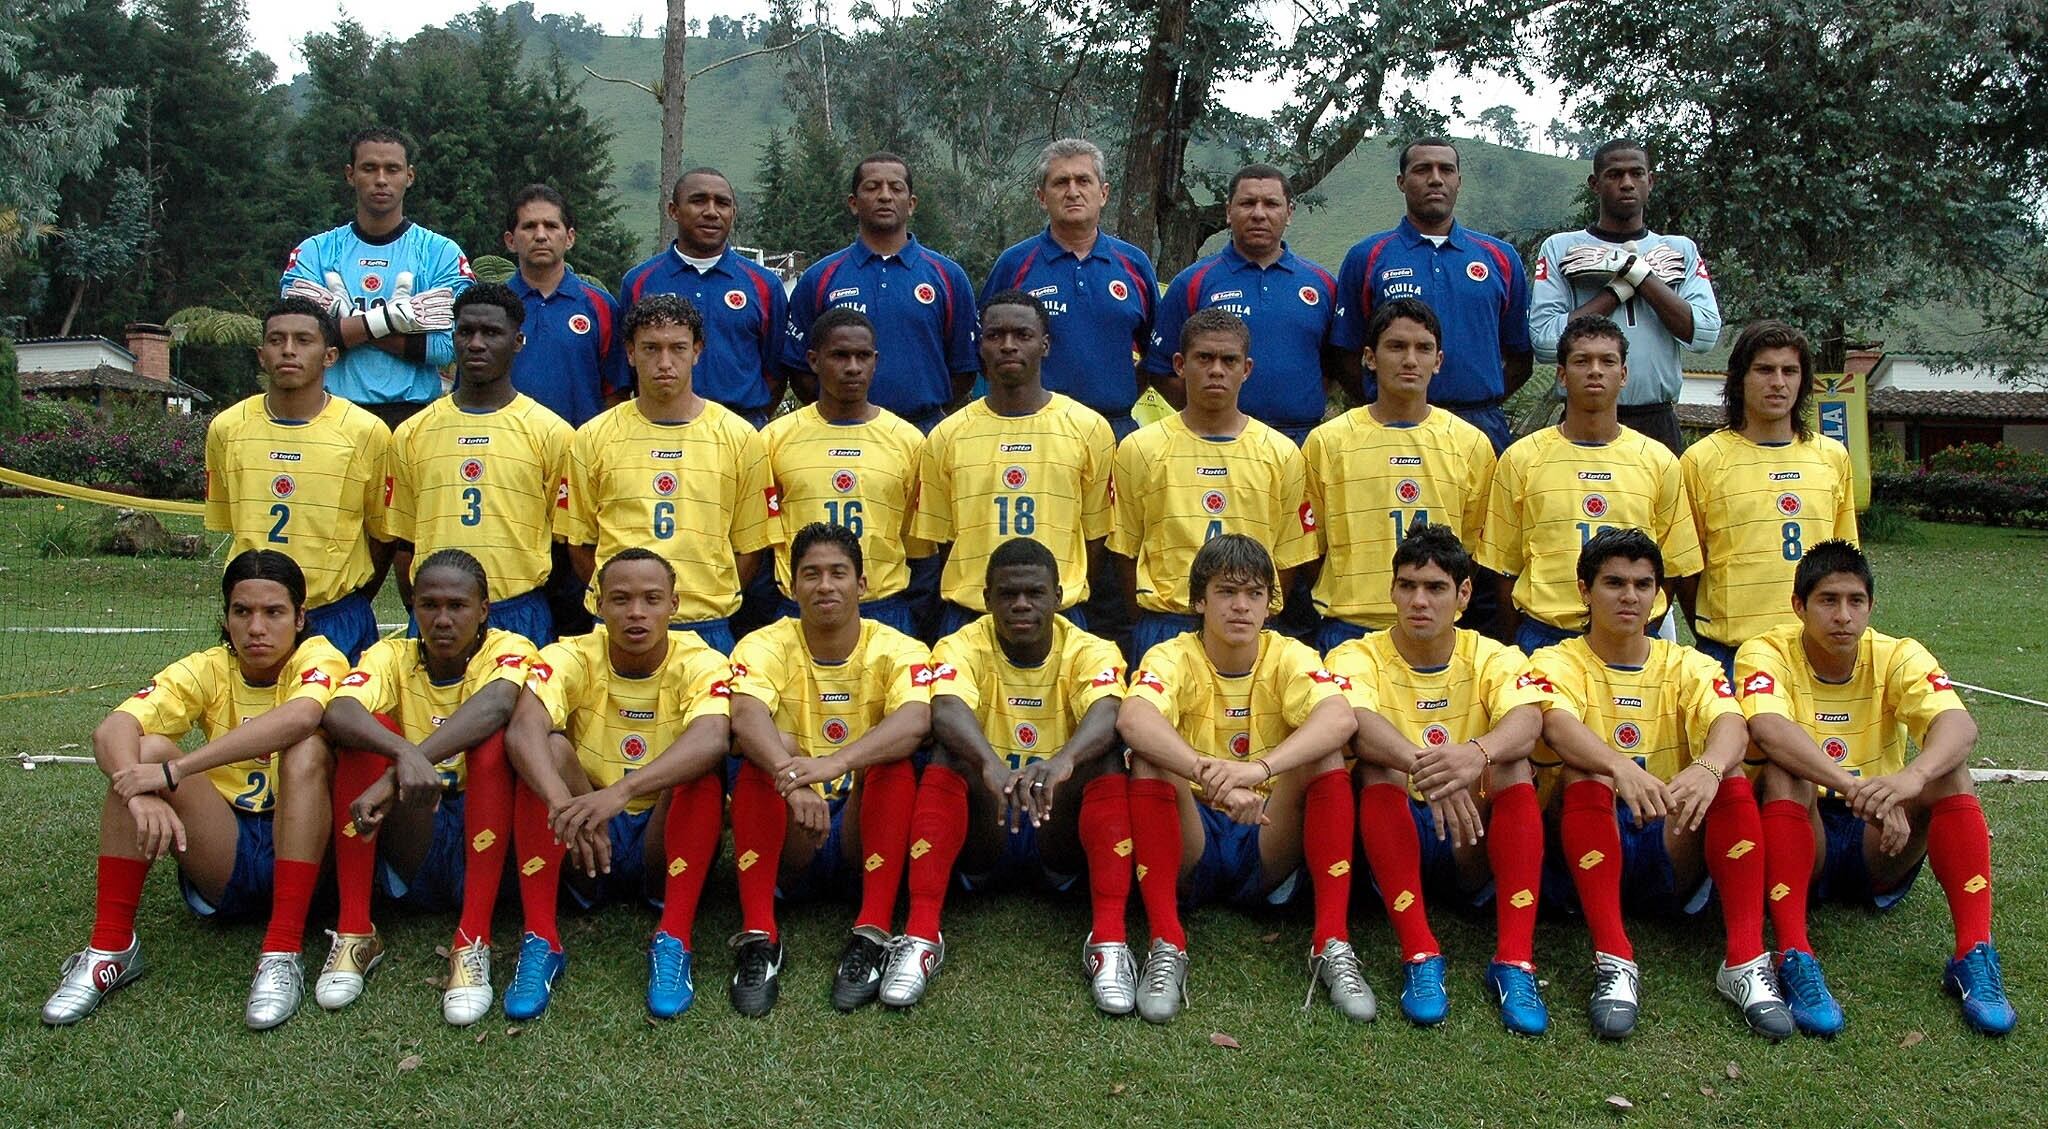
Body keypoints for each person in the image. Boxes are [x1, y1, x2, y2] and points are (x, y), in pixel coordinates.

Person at [42, 551, 349, 1030]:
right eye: (242, 612)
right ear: (225, 619)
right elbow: (113, 729)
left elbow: (301, 717)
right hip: (225, 851)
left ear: (300, 618)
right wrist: (140, 791)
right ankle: (111, 947)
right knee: (144, 750)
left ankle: (283, 948)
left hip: (313, 852)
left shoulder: (320, 656)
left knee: (306, 748)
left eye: (274, 613)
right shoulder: (207, 667)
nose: (256, 628)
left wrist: (175, 772)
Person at [1741, 540, 2016, 1037]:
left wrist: (1909, 779)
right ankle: (1793, 953)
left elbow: (1959, 724)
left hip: (1880, 839)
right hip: (1809, 829)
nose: (1843, 616)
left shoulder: (1898, 654)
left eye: (1855, 601)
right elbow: (1767, 729)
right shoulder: (1765, 650)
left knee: (1950, 773)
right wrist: (1853, 787)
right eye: (1828, 600)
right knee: (1785, 772)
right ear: (1798, 605)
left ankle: (1973, 955)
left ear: (1870, 606)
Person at [1524, 530, 1791, 1040]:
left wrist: (1709, 766)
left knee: (1728, 773)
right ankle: (1613, 959)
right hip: (1581, 849)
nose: (1630, 596)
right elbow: (1553, 722)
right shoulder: (1555, 660)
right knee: (1587, 771)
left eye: (1643, 584)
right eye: (1614, 583)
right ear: (1584, 590)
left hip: (1671, 842)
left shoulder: (1688, 663)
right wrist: (1620, 768)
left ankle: (1744, 961)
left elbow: (1731, 724)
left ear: (1659, 595)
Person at [1116, 534, 1364, 1024]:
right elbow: (1133, 719)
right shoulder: (1172, 654)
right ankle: (1166, 941)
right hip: (1192, 834)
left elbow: (1340, 718)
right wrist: (1207, 775)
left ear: (1270, 604)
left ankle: (1331, 942)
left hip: (1266, 829)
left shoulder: (1288, 654)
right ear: (1198, 601)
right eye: (1227, 592)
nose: (1241, 607)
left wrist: (1258, 770)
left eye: (1254, 594)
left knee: (1327, 754)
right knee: (1146, 757)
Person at [882, 538, 1134, 1012]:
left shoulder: (1091, 648)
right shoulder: (961, 643)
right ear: (987, 599)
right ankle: (919, 936)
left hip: (1055, 827)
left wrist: (1063, 761)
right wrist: (989, 764)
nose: (1021, 604)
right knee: (947, 757)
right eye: (1008, 594)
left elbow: (1108, 711)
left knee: (1102, 760)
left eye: (1035, 593)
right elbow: (946, 707)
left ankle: (1110, 942)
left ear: (1058, 597)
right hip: (988, 824)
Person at [1323, 524, 1551, 1034]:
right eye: (1407, 586)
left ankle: (1514, 961)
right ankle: (1419, 952)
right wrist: (1425, 769)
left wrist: (1475, 754)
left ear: (1464, 593)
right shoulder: (1355, 654)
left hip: (1473, 835)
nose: (1419, 601)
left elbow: (1529, 720)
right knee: (1375, 763)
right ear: (1392, 591)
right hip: (1396, 828)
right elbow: (1354, 722)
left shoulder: (1492, 654)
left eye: (1435, 588)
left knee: (1513, 761)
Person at [498, 549, 735, 1021]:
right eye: (621, 599)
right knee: (547, 753)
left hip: (658, 839)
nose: (636, 612)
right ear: (598, 604)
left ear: (674, 604)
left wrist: (621, 793)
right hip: (584, 837)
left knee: (700, 772)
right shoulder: (568, 654)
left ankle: (674, 936)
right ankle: (541, 937)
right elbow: (522, 730)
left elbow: (713, 737)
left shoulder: (702, 660)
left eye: (651, 599)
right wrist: (564, 804)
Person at [315, 551, 538, 1026]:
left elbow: (498, 705)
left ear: (483, 610)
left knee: (493, 741)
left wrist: (402, 766)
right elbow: (338, 712)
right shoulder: (391, 654)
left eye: (457, 606)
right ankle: (356, 929)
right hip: (417, 823)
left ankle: (472, 936)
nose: (442, 619)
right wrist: (403, 753)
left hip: (489, 826)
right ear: (412, 606)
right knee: (363, 732)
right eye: (428, 605)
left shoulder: (509, 646)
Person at [724, 524, 933, 1015]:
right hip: (795, 830)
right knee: (760, 757)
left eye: (838, 573)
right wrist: (790, 775)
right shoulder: (763, 644)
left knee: (892, 761)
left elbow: (916, 720)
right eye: (811, 574)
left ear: (862, 585)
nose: (825, 586)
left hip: (863, 826)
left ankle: (872, 932)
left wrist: (831, 765)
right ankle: (760, 937)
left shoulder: (900, 647)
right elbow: (745, 716)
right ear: (791, 585)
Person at [562, 294, 776, 653]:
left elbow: (750, 548)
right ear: (630, 353)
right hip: (615, 631)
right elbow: (580, 543)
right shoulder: (592, 438)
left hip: (705, 629)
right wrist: (626, 602)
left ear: (697, 351)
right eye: (650, 348)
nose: (665, 362)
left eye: (677, 348)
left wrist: (704, 596)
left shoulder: (740, 439)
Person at [1479, 315, 1702, 654]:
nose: (1595, 370)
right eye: (1582, 361)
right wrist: (1518, 642)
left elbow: (1672, 568)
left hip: (1632, 639)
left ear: (1623, 374)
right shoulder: (1521, 459)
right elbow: (1503, 569)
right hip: (1545, 637)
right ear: (1562, 375)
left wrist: (1640, 628)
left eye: (1607, 361)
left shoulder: (1658, 461)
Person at [1110, 308, 1315, 663]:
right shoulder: (1140, 449)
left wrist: (1254, 609)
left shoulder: (1280, 453)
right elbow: (1126, 550)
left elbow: (1288, 554)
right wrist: (1151, 613)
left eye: (1229, 360)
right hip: (1166, 624)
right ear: (1179, 364)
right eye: (1204, 358)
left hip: (1250, 627)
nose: (1216, 370)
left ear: (1246, 369)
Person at [913, 290, 1115, 639]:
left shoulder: (1089, 428)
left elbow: (1096, 535)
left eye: (1022, 335)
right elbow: (941, 542)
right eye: (995, 336)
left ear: (1045, 345)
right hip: (969, 617)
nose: (1008, 345)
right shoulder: (947, 435)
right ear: (980, 346)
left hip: (1061, 616)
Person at [205, 297, 395, 663]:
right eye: (277, 340)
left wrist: (343, 594)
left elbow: (380, 534)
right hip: (260, 618)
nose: (288, 350)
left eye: (303, 341)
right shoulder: (227, 428)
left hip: (337, 615)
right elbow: (233, 523)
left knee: (342, 719)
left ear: (330, 356)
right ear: (262, 355)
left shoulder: (366, 432)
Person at [1302, 298, 1495, 652]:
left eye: (1423, 349)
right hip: (1349, 628)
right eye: (1396, 347)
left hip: (1435, 631)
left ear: (1438, 362)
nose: (1410, 360)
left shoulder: (1470, 444)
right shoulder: (1328, 442)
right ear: (1370, 357)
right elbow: (1312, 549)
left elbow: (1471, 548)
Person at [388, 283, 573, 646]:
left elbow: (564, 543)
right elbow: (404, 541)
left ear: (518, 341)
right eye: (465, 332)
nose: (476, 343)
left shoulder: (552, 433)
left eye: (491, 333)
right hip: (437, 615)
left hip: (519, 611)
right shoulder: (413, 432)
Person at [1679, 320, 1859, 678]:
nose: (1778, 382)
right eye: (1764, 370)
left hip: (1812, 651)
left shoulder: (1832, 457)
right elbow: (1687, 568)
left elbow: (1845, 561)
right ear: (1739, 379)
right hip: (1732, 653)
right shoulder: (1701, 460)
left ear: (1803, 381)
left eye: (1789, 371)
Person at [1331, 138, 1533, 452]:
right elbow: (1344, 355)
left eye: (1446, 170)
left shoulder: (1500, 258)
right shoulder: (1367, 256)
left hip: (1480, 426)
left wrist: (1479, 399)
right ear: (1401, 182)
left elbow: (1521, 357)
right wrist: (1385, 402)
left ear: (1458, 182)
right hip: (1392, 427)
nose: (1436, 178)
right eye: (1423, 169)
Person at [1529, 139, 1722, 454]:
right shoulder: (1562, 248)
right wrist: (1617, 290)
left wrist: (1642, 277)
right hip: (1584, 418)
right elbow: (1546, 342)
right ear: (1595, 184)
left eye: (1637, 174)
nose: (1627, 183)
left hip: (1656, 417)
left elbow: (1704, 334)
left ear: (1651, 181)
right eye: (1614, 175)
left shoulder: (1678, 249)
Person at [280, 125, 473, 428]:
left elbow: (446, 347)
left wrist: (343, 325)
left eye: (392, 169)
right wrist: (397, 319)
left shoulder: (442, 253)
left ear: (409, 176)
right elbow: (301, 341)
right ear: (350, 174)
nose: (381, 179)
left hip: (414, 416)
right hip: (330, 415)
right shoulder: (314, 251)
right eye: (369, 168)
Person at [759, 306, 926, 635]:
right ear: (813, 360)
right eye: (839, 356)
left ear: (875, 361)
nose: (853, 367)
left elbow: (920, 548)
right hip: (798, 610)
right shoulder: (775, 439)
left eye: (862, 356)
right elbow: (762, 544)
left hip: (884, 608)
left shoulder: (908, 440)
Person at [783, 153, 978, 432]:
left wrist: (928, 417)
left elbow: (964, 368)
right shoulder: (820, 277)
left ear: (911, 204)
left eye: (896, 188)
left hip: (923, 431)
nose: (885, 196)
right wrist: (839, 412)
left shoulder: (948, 276)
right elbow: (799, 367)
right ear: (853, 203)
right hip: (839, 431)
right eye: (872, 187)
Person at [1145, 164, 1339, 445]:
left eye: (1271, 204)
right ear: (1228, 211)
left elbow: (1333, 364)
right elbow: (1161, 369)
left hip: (1302, 440)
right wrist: (1211, 413)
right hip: (1217, 439)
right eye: (1247, 203)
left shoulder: (1322, 284)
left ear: (1289, 213)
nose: (1259, 214)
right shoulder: (1193, 282)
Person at [983, 138, 1160, 440]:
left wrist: (1118, 391)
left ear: (1103, 193)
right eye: (1060, 182)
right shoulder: (1014, 264)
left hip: (1113, 430)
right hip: (1031, 432)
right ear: (1041, 197)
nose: (1073, 191)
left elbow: (1156, 352)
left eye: (1083, 181)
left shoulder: (1134, 264)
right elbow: (985, 350)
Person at [620, 168, 789, 427]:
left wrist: (747, 423)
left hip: (742, 426)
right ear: (673, 211)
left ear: (733, 213)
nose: (711, 211)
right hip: (661, 426)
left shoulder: (765, 285)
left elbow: (775, 371)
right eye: (698, 201)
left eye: (722, 203)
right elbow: (630, 364)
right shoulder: (639, 281)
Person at [502, 183, 628, 428]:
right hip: (507, 453)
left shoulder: (601, 306)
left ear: (569, 237)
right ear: (510, 240)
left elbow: (616, 395)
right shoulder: (492, 308)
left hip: (581, 452)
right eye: (529, 226)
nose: (540, 235)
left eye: (551, 226)